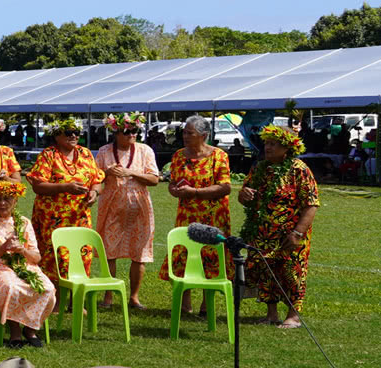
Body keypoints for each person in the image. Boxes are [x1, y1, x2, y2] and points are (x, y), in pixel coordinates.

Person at [239, 126, 319, 329]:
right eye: (267, 143)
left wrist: (298, 233)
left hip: (291, 234)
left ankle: (293, 315)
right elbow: (245, 197)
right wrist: (244, 194)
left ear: (287, 148)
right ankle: (271, 314)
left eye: (274, 144)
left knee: (292, 272)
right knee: (266, 272)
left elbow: (311, 204)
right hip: (263, 233)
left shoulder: (299, 169)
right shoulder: (259, 168)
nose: (268, 147)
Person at [158, 115, 232, 314]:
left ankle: (206, 306)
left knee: (211, 258)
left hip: (213, 217)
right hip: (186, 216)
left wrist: (195, 192)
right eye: (184, 132)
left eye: (190, 133)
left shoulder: (218, 156)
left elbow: (225, 187)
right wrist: (175, 190)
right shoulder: (179, 156)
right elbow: (173, 183)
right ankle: (184, 304)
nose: (185, 136)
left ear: (204, 135)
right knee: (184, 256)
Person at [0, 180, 56, 348]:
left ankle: (30, 330)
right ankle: (15, 332)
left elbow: (36, 257)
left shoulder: (23, 222)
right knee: (10, 287)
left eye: (7, 198)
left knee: (47, 288)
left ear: (16, 201)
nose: (2, 203)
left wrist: (22, 251)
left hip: (25, 265)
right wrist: (3, 248)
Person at [94, 113, 160, 309]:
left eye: (135, 131)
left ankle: (134, 297)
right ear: (116, 132)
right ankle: (109, 296)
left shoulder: (145, 150)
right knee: (109, 251)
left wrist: (130, 172)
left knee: (139, 253)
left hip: (139, 206)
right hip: (112, 205)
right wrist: (106, 173)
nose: (132, 135)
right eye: (127, 131)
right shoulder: (104, 151)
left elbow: (154, 179)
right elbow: (95, 177)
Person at [26, 118, 105, 282]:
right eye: (69, 133)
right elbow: (38, 186)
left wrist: (94, 193)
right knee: (55, 257)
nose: (74, 136)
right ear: (57, 136)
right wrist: (65, 187)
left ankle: (76, 298)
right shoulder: (49, 155)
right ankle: (55, 300)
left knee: (82, 254)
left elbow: (97, 180)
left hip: (79, 217)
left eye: (77, 133)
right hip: (52, 218)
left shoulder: (86, 153)